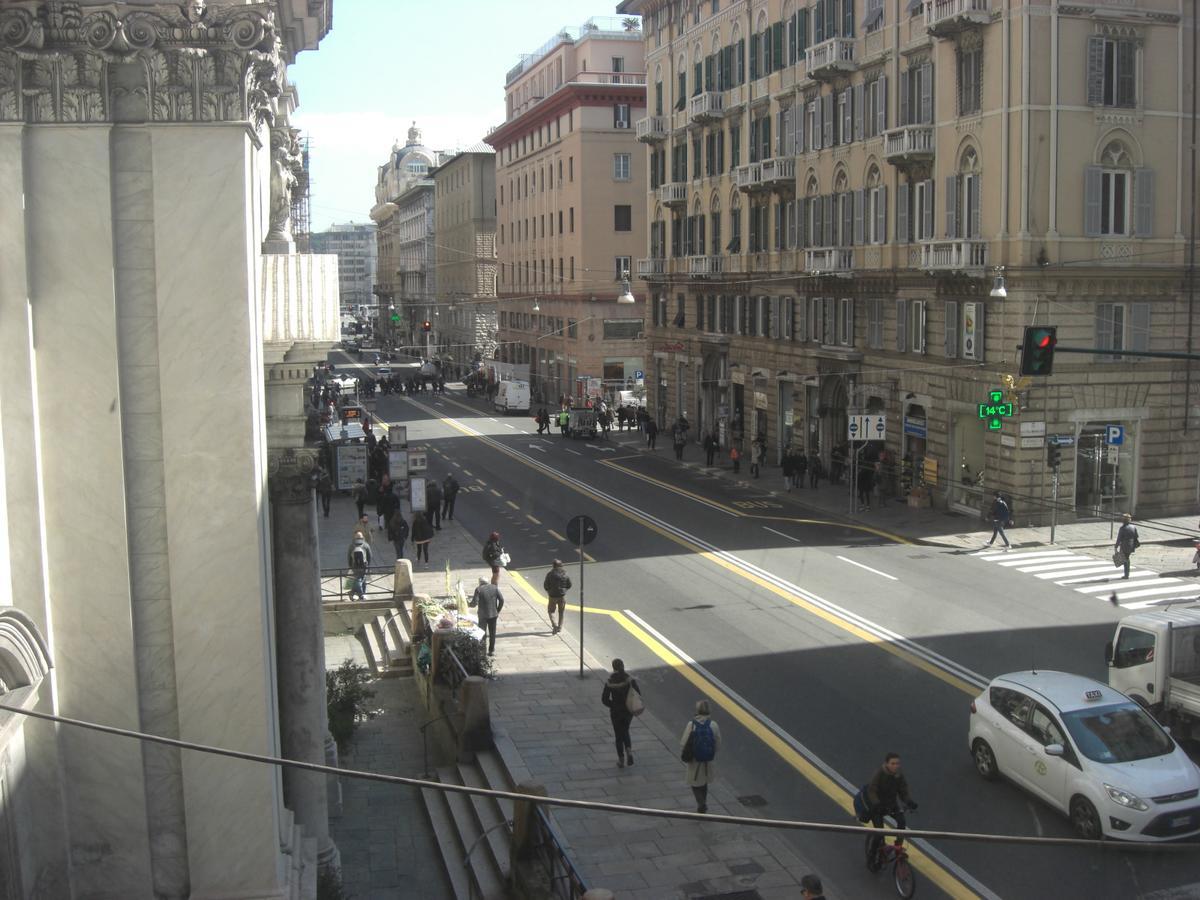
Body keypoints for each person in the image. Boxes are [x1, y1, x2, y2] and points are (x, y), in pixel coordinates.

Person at [865, 752, 917, 858]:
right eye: (893, 763)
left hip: (891, 805)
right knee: (879, 834)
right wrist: (876, 803)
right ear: (887, 764)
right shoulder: (880, 774)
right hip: (877, 807)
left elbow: (903, 791)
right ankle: (872, 853)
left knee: (902, 822)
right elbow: (871, 790)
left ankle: (898, 846)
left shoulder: (899, 776)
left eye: (897, 763)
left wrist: (908, 801)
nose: (895, 766)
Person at [679, 700, 720, 813]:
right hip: (707, 760)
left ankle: (701, 804)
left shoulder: (691, 724)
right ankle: (704, 802)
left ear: (697, 710)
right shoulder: (713, 724)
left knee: (695, 783)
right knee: (704, 782)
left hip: (694, 760)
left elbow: (683, 742)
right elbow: (718, 743)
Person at [601, 659, 641, 768]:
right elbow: (638, 693)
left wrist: (612, 705)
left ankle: (621, 759)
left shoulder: (610, 680)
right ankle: (629, 750)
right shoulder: (629, 679)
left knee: (618, 735)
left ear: (613, 667)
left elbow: (604, 699)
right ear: (623, 665)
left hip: (616, 712)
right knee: (625, 730)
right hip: (628, 711)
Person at [468, 577, 505, 656]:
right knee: (492, 633)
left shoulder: (478, 589)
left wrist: (467, 604)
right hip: (493, 614)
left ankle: (483, 651)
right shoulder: (494, 588)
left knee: (482, 633)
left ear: (480, 582)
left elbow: (474, 603)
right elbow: (501, 600)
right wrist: (497, 610)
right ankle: (491, 651)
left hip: (482, 615)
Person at [543, 559, 572, 634]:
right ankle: (560, 627)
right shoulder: (565, 574)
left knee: (551, 611)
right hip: (561, 596)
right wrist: (564, 590)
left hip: (552, 596)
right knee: (561, 612)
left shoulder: (550, 574)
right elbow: (569, 585)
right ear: (561, 566)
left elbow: (545, 585)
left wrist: (549, 591)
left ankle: (554, 625)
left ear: (553, 566)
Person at [1115, 513, 1140, 579]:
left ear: (1123, 520)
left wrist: (1116, 546)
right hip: (1131, 545)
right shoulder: (1133, 527)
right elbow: (1136, 536)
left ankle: (1126, 575)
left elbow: (1119, 538)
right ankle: (1126, 574)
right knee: (1126, 558)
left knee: (1126, 559)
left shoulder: (1122, 528)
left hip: (1124, 545)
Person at [347, 535, 371, 600]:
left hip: (354, 566)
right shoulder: (366, 545)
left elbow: (349, 557)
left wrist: (350, 566)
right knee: (361, 580)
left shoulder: (351, 545)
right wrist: (368, 565)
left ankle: (352, 593)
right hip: (364, 566)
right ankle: (361, 595)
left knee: (357, 580)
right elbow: (369, 556)